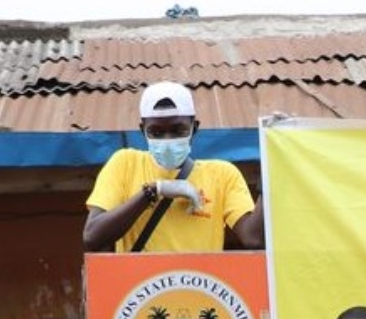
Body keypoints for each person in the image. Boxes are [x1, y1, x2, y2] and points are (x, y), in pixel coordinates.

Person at [83, 81, 261, 252]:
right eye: (156, 132)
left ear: (195, 128)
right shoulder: (125, 164)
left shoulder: (222, 175)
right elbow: (92, 237)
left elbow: (253, 238)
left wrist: (269, 174)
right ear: (142, 130)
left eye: (178, 130)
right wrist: (153, 191)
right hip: (141, 283)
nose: (167, 140)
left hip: (199, 283)